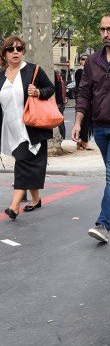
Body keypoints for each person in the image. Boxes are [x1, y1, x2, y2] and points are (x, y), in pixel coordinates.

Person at [72, 14, 110, 238]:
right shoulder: (93, 61)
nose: (105, 34)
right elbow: (84, 93)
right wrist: (78, 123)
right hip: (100, 128)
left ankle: (102, 224)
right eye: (102, 29)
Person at [0, 36, 55, 219]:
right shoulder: (1, 76)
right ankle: (36, 199)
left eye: (19, 48)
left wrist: (38, 92)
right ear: (5, 54)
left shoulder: (33, 70)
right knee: (28, 164)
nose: (15, 52)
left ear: (23, 51)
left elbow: (50, 88)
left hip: (30, 127)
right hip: (11, 129)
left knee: (23, 164)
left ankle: (14, 207)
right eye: (10, 49)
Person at [74, 54, 93, 150]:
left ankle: (83, 141)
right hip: (83, 99)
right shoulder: (80, 71)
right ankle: (83, 141)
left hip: (89, 99)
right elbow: (81, 87)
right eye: (83, 59)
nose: (85, 61)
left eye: (87, 59)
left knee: (88, 121)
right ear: (80, 61)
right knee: (84, 121)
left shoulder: (90, 70)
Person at [54, 69, 66, 140]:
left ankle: (62, 137)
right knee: (61, 122)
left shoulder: (57, 79)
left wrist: (58, 103)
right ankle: (63, 137)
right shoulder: (61, 80)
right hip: (62, 103)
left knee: (60, 122)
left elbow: (59, 91)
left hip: (59, 103)